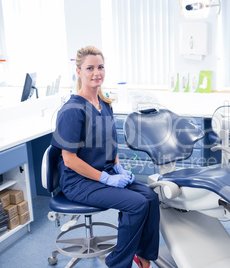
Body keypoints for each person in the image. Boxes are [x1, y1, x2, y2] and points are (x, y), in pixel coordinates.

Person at [51, 46, 159, 268]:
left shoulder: (104, 103)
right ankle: (119, 263)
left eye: (100, 67)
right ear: (79, 71)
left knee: (150, 196)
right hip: (78, 181)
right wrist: (105, 178)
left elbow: (110, 143)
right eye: (89, 68)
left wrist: (118, 167)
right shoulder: (72, 110)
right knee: (137, 204)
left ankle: (142, 254)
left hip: (105, 172)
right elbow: (69, 160)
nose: (96, 72)